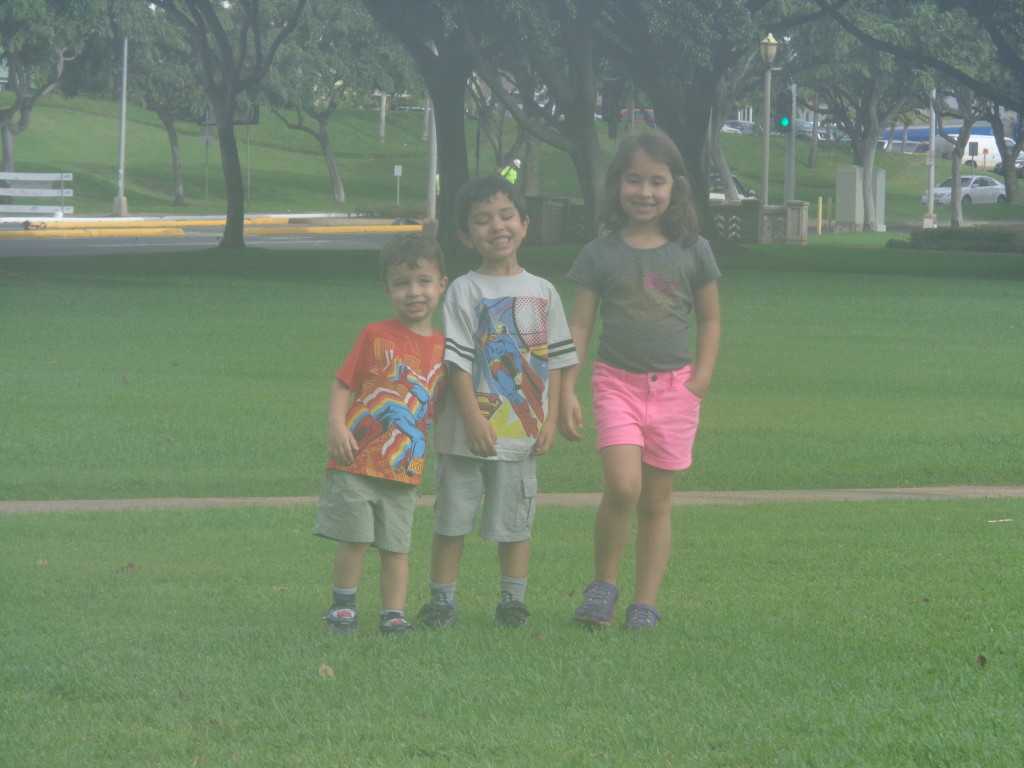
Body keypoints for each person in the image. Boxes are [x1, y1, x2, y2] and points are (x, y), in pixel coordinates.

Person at [559, 131, 722, 631]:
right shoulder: (598, 254)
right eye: (635, 180)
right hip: (615, 385)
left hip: (675, 390)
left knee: (655, 501)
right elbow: (581, 324)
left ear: (675, 187)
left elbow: (711, 319)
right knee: (623, 486)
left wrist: (700, 379)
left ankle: (644, 604)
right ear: (617, 186)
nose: (645, 192)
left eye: (657, 181)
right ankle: (603, 586)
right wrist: (566, 387)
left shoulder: (693, 251)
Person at [418, 175, 578, 629]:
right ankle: (442, 601)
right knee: (452, 520)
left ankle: (513, 601)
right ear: (467, 236)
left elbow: (561, 358)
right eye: (483, 221)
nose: (497, 227)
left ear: (524, 224)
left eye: (507, 216)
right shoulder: (465, 290)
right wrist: (470, 418)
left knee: (515, 522)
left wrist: (551, 415)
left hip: (521, 433)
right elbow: (457, 362)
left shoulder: (544, 290)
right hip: (465, 432)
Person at [314, 232, 448, 636]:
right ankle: (343, 606)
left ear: (442, 284)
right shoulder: (376, 335)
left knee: (396, 547)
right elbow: (343, 382)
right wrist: (336, 424)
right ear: (386, 289)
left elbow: (439, 405)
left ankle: (393, 614)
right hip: (357, 459)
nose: (414, 292)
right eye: (402, 283)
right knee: (354, 540)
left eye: (424, 281)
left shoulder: (446, 348)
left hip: (404, 469)